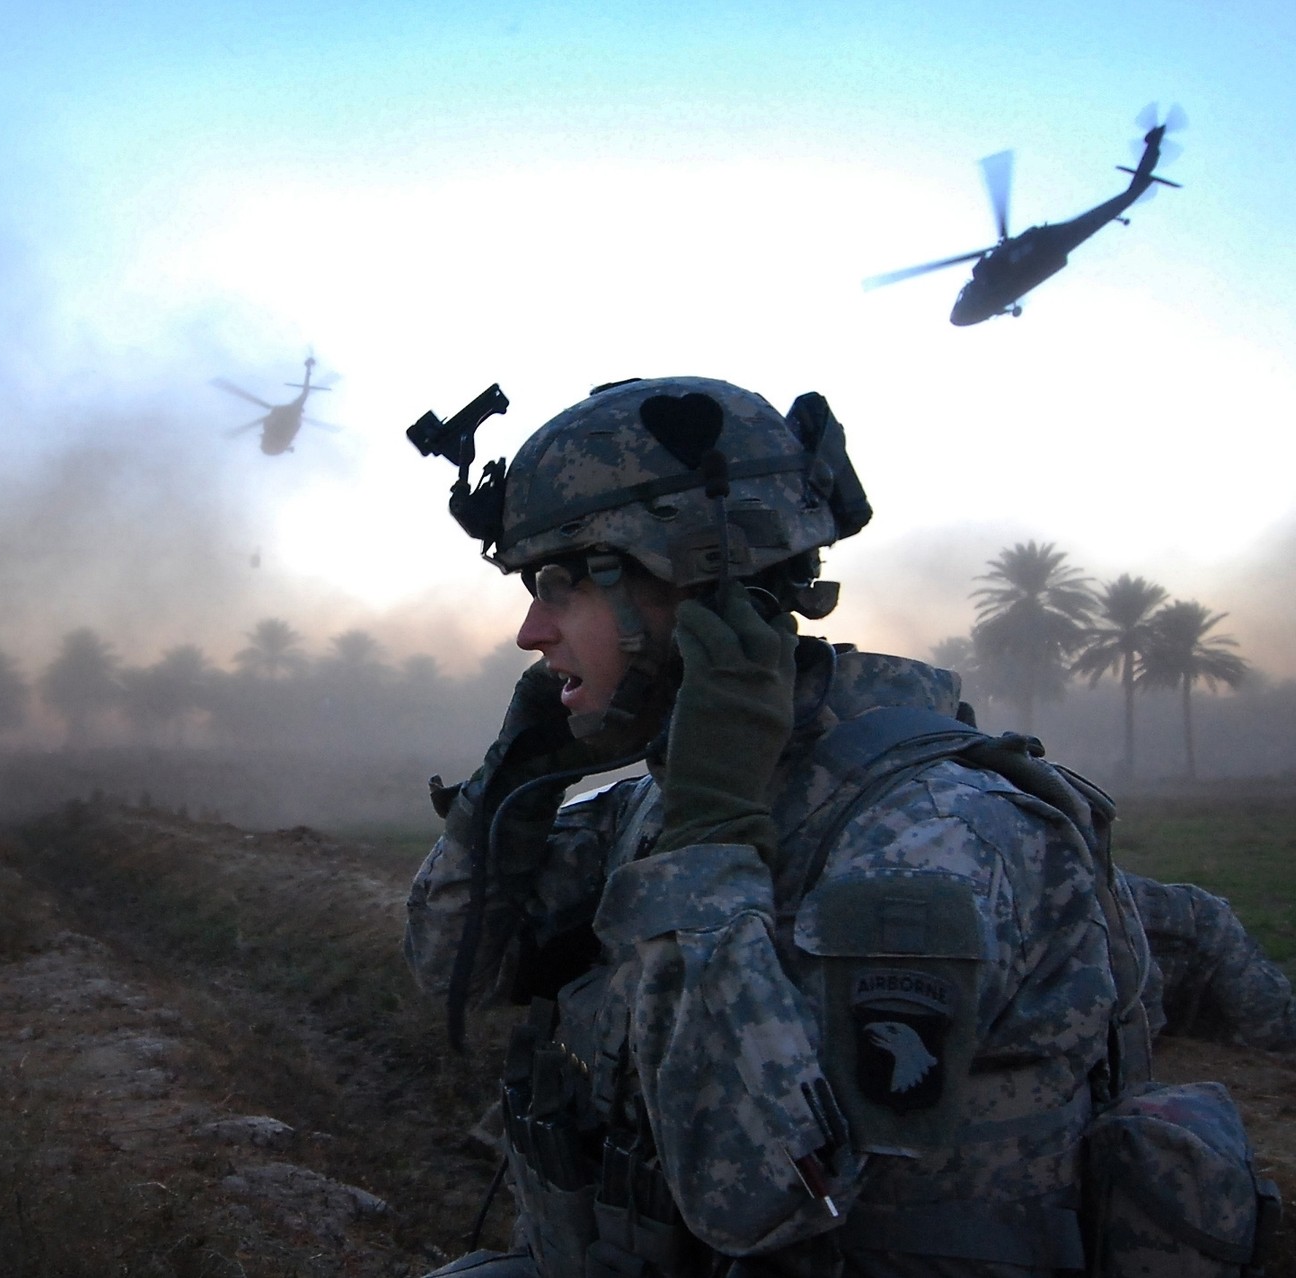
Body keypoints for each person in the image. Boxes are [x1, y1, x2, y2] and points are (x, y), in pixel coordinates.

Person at [403, 376, 1163, 1276]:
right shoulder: (668, 799)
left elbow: (758, 1200)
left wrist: (712, 845)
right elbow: (455, 966)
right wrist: (511, 782)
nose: (531, 633)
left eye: (560, 586)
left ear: (700, 596)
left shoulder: (931, 839)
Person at [1123, 870, 1296, 1052]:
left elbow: (1142, 991)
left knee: (1272, 1030)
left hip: (1209, 938)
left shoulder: (1100, 915)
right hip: (1168, 978)